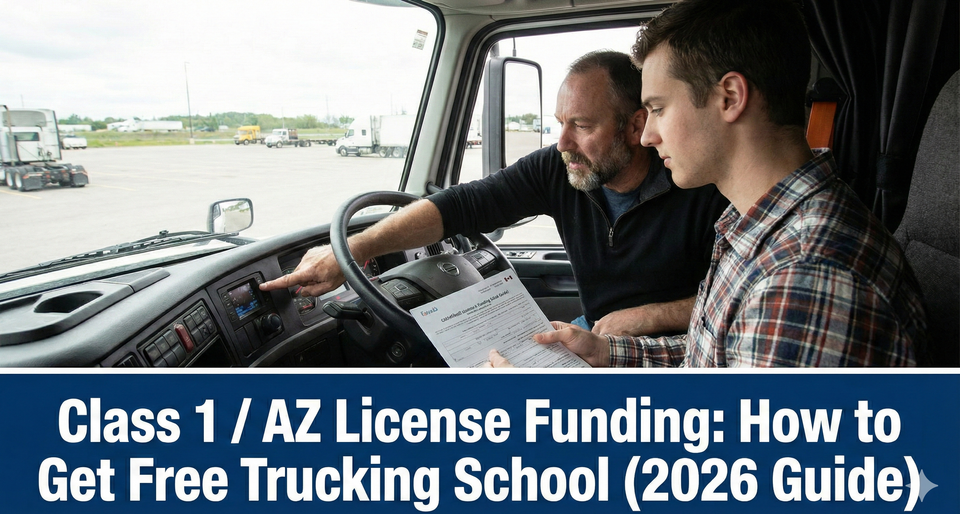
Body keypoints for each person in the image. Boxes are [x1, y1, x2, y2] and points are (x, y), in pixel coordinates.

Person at [492, 0, 929, 367]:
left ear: (730, 98)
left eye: (658, 109)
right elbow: (716, 355)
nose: (647, 136)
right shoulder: (753, 224)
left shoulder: (804, 275)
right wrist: (607, 352)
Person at [260, 50, 727, 337]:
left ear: (635, 126)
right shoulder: (560, 167)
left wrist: (650, 316)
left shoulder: (701, 184)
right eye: (559, 124)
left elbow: (738, 297)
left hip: (678, 347)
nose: (562, 143)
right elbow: (463, 205)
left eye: (581, 126)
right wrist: (355, 249)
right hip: (593, 337)